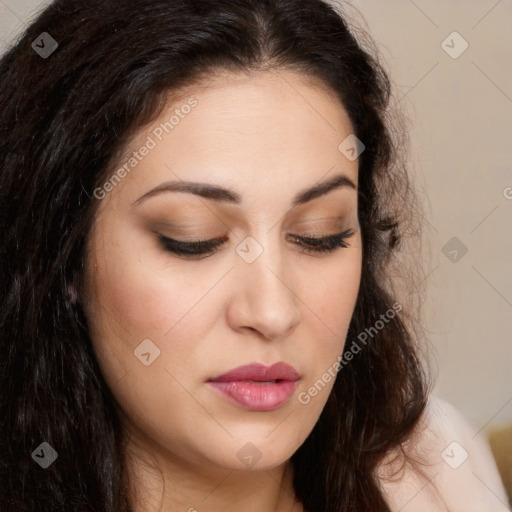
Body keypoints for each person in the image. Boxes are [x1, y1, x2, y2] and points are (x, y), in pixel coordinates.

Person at [0, 0, 507, 510]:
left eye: (319, 235)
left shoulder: (436, 471)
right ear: (65, 259)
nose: (272, 312)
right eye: (191, 239)